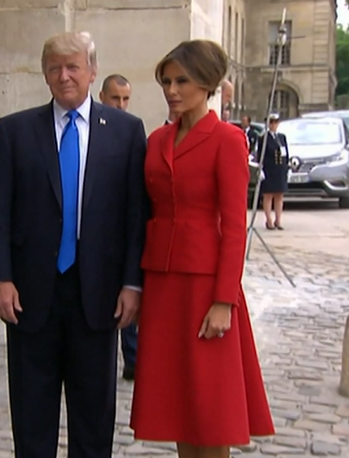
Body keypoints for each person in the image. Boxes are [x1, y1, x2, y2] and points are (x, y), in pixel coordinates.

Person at [0, 31, 149, 458]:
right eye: (55, 68)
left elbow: (135, 216)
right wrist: (0, 277)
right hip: (30, 296)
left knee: (93, 419)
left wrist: (133, 283)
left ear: (92, 71)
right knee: (32, 416)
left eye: (73, 66)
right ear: (44, 73)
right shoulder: (16, 130)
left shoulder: (127, 133)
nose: (64, 76)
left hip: (98, 296)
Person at [129, 39, 274, 458]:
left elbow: (234, 227)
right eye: (166, 81)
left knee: (210, 410)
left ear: (208, 84)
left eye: (181, 81)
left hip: (205, 287)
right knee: (177, 403)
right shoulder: (156, 140)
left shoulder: (227, 140)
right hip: (162, 284)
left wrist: (224, 300)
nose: (172, 90)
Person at [99, 73, 137, 381]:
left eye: (126, 99)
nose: (121, 105)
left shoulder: (131, 132)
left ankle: (133, 358)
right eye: (116, 99)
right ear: (102, 96)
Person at [258, 113, 289, 230]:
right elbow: (260, 155)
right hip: (269, 169)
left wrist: (286, 168)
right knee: (268, 195)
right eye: (271, 122)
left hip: (280, 169)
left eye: (276, 122)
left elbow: (286, 153)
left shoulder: (282, 137)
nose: (274, 125)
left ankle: (278, 220)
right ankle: (269, 220)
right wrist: (260, 169)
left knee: (279, 195)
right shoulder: (264, 138)